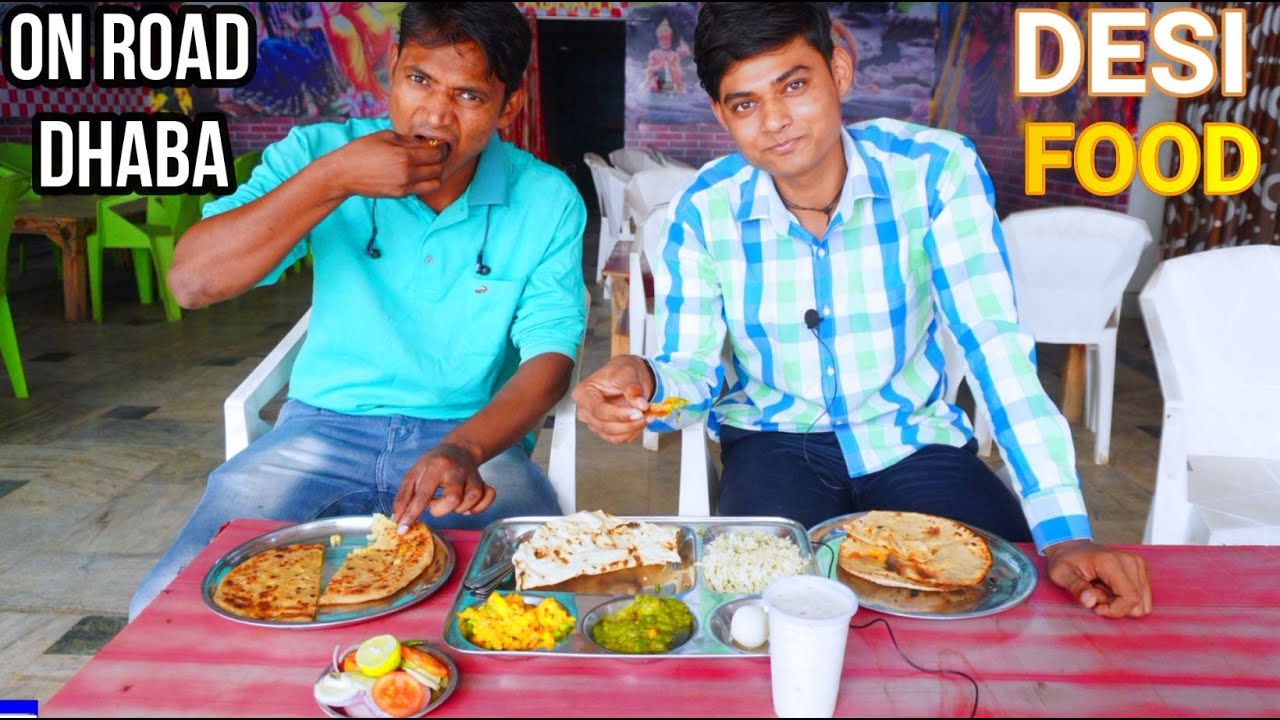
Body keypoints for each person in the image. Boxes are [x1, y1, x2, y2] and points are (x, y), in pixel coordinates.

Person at [573, 2, 1151, 619]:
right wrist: (648, 387)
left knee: (1004, 591)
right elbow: (690, 370)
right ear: (722, 115)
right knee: (763, 610)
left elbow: (994, 345)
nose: (774, 121)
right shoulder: (705, 211)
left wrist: (1065, 530)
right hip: (773, 443)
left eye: (794, 85)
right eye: (745, 104)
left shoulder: (935, 172)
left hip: (912, 440)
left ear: (839, 72)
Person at [130, 2, 587, 620]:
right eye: (419, 80)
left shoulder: (546, 197)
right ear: (392, 69)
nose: (433, 113)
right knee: (167, 608)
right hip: (319, 430)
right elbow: (192, 282)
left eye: (469, 96)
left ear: (508, 108)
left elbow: (552, 357)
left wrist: (465, 447)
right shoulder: (321, 154)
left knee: (537, 608)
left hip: (474, 443)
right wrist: (333, 180)